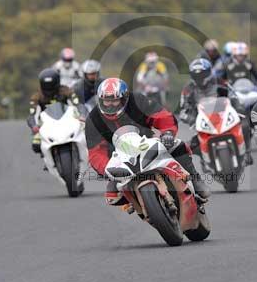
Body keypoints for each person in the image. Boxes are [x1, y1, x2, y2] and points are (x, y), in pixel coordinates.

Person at [85, 78, 210, 206]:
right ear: (100, 100)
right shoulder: (93, 119)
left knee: (177, 145)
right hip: (119, 159)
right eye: (107, 101)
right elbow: (95, 152)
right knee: (112, 197)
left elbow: (161, 115)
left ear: (124, 99)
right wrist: (106, 169)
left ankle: (195, 179)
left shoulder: (137, 101)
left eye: (115, 100)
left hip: (148, 144)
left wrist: (167, 133)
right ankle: (137, 204)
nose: (110, 105)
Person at [179, 58, 253, 166]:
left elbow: (233, 95)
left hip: (223, 115)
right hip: (202, 121)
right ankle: (204, 160)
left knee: (245, 125)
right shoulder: (188, 89)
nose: (200, 78)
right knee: (190, 145)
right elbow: (183, 110)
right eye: (196, 75)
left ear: (209, 72)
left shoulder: (219, 81)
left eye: (202, 74)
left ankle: (246, 153)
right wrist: (191, 119)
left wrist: (239, 108)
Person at [27, 68, 81, 157]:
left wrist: (81, 115)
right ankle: (46, 156)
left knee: (85, 132)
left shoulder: (66, 90)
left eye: (51, 86)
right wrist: (34, 126)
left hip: (66, 121)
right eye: (47, 86)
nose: (49, 90)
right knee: (36, 144)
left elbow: (77, 103)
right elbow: (32, 115)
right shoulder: (36, 96)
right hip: (46, 125)